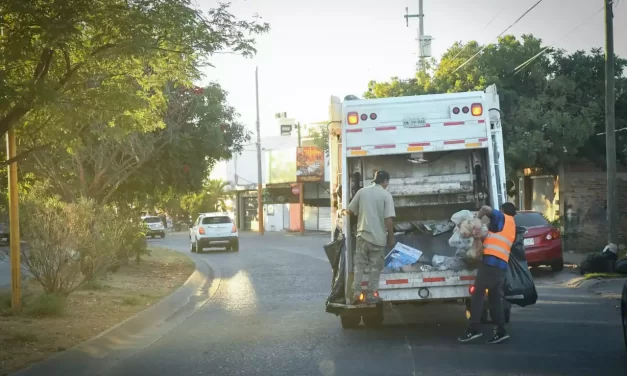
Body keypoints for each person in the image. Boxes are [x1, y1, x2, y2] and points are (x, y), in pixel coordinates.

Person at [458, 202, 517, 344]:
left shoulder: (502, 218)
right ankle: (500, 331)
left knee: (478, 294)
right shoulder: (511, 225)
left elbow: (485, 208)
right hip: (500, 266)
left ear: (502, 211)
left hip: (491, 264)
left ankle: (473, 329)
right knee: (495, 298)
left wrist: (475, 220)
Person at [343, 170, 396, 305]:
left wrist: (341, 212)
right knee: (375, 268)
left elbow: (350, 210)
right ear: (385, 182)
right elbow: (388, 220)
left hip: (362, 236)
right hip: (378, 239)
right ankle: (371, 295)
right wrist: (391, 238)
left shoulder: (362, 192)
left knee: (359, 266)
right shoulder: (386, 196)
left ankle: (356, 294)